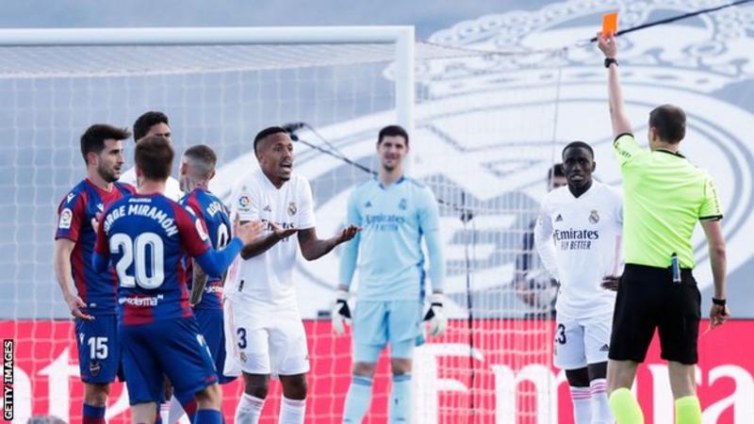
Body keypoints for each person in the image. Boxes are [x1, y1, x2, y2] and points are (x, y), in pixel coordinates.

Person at [598, 32, 730, 424]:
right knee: (685, 387)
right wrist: (719, 299)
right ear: (682, 136)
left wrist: (611, 60)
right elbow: (718, 248)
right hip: (680, 286)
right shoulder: (702, 178)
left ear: (652, 134)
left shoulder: (635, 163)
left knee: (618, 385)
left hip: (639, 282)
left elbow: (616, 111)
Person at [93, 135, 262, 424]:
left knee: (144, 406)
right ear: (172, 168)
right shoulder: (180, 212)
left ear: (138, 170)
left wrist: (103, 233)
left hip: (130, 322)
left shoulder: (113, 212)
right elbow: (212, 264)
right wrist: (239, 241)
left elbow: (98, 266)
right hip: (171, 318)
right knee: (208, 395)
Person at [225, 127, 359, 424]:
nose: (287, 154)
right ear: (261, 157)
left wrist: (336, 240)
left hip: (283, 302)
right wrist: (276, 236)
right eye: (278, 148)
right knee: (258, 387)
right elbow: (245, 250)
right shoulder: (247, 187)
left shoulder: (300, 186)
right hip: (247, 300)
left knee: (297, 384)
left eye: (289, 148)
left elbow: (309, 248)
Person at [333, 125, 447, 424]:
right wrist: (341, 294)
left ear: (406, 151)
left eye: (398, 146)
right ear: (378, 147)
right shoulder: (360, 195)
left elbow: (436, 250)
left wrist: (438, 299)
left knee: (401, 367)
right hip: (369, 294)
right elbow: (350, 247)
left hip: (406, 293)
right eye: (388, 145)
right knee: (361, 369)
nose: (392, 151)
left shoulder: (420, 195)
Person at [534, 142, 622, 424]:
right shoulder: (552, 202)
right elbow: (541, 239)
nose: (576, 167)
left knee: (601, 388)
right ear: (563, 166)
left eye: (582, 161)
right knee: (578, 389)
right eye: (570, 162)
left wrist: (629, 275)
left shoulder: (613, 198)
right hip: (568, 307)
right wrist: (559, 273)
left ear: (593, 166)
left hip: (602, 305)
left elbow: (641, 232)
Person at [53, 124, 134, 424]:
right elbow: (62, 252)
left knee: (152, 387)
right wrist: (69, 295)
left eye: (122, 152)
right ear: (92, 158)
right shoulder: (77, 200)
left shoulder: (129, 194)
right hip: (98, 310)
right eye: (114, 153)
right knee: (98, 391)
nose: (121, 160)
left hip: (135, 307)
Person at [165, 144, 236, 423]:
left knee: (190, 384)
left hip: (197, 306)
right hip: (215, 302)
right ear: (213, 174)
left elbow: (199, 261)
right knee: (196, 385)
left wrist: (193, 299)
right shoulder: (220, 207)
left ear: (183, 167)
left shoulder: (189, 205)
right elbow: (225, 259)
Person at [514, 164, 566, 319]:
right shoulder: (536, 225)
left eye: (564, 185)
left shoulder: (585, 222)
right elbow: (520, 266)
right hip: (545, 306)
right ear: (548, 187)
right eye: (555, 185)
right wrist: (521, 287)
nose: (559, 190)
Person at [120, 111, 182, 200]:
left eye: (167, 135)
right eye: (158, 136)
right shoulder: (122, 185)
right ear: (140, 142)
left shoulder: (175, 187)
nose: (165, 141)